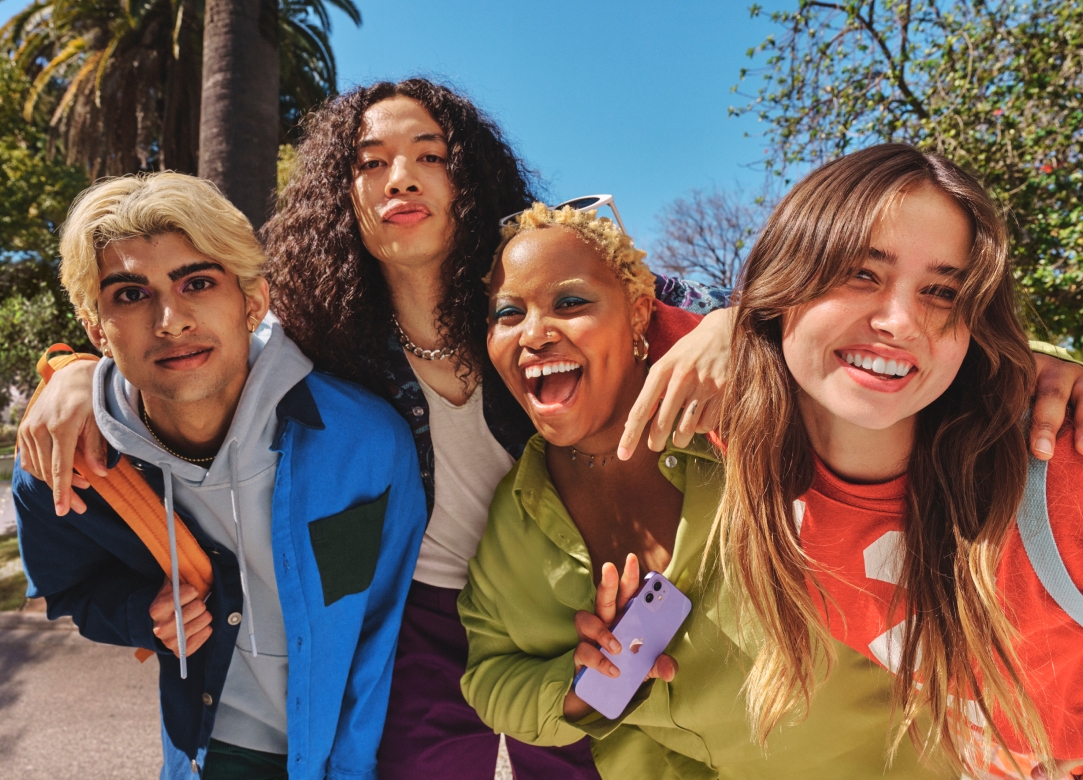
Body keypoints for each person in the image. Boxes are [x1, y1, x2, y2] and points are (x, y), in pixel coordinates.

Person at [16, 78, 735, 780]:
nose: (402, 178)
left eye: (431, 155)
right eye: (371, 162)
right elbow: (186, 340)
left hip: (564, 596)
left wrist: (730, 323)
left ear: (469, 178)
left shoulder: (530, 285)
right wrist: (73, 372)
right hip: (416, 612)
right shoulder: (317, 326)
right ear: (342, 192)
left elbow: (669, 304)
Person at [458, 202, 957, 778]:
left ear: (639, 313)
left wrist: (1034, 370)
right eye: (507, 314)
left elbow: (923, 379)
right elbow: (488, 677)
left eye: (570, 303)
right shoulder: (515, 515)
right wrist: (582, 686)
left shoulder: (761, 418)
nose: (534, 334)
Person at [13, 173, 427, 780]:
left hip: (357, 753)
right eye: (130, 294)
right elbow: (71, 591)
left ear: (252, 300)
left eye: (198, 283)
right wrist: (139, 613)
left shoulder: (368, 440)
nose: (170, 320)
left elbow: (390, 621)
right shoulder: (68, 466)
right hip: (210, 756)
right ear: (96, 328)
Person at [710, 143, 1083, 778]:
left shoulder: (1058, 468)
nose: (901, 321)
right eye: (861, 273)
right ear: (784, 281)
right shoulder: (738, 432)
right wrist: (718, 326)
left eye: (942, 291)